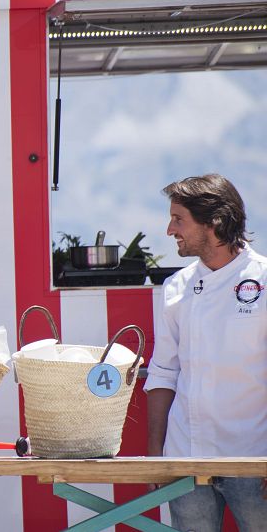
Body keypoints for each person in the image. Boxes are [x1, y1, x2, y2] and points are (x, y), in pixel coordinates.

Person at [144, 174, 267, 532]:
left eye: (178, 219)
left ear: (214, 222)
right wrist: (157, 455)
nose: (169, 229)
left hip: (253, 458)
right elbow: (164, 372)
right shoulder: (175, 288)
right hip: (187, 457)